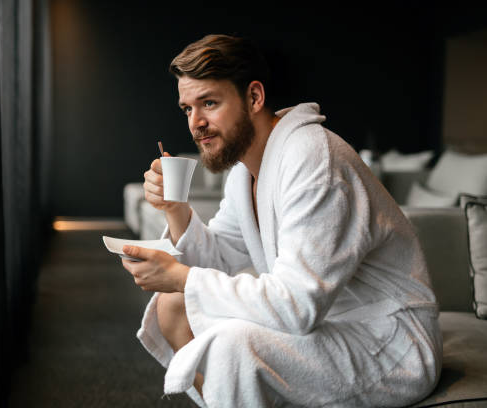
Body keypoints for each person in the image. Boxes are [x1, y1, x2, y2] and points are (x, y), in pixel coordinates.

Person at [121, 34, 442, 407]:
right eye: (187, 109)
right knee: (172, 304)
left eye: (209, 103)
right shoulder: (244, 171)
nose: (197, 123)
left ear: (254, 97)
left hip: (389, 339)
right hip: (329, 320)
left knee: (232, 347)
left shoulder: (312, 159)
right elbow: (223, 257)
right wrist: (175, 209)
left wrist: (183, 276)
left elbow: (297, 306)